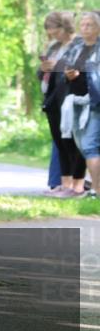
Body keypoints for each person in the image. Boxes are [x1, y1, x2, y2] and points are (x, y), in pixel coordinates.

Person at [37, 11, 84, 195]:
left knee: (72, 143)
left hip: (71, 98)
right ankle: (64, 184)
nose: (51, 34)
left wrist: (60, 67)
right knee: (60, 143)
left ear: (65, 27)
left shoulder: (79, 44)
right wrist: (43, 68)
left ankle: (76, 186)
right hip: (52, 99)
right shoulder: (54, 47)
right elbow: (42, 73)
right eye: (49, 31)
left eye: (54, 31)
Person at [61, 11, 100, 198]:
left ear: (98, 28)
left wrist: (83, 73)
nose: (85, 28)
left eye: (89, 25)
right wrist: (68, 75)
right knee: (84, 146)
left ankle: (96, 191)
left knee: (90, 145)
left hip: (94, 103)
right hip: (75, 102)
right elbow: (66, 68)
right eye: (82, 25)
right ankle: (95, 187)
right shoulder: (77, 47)